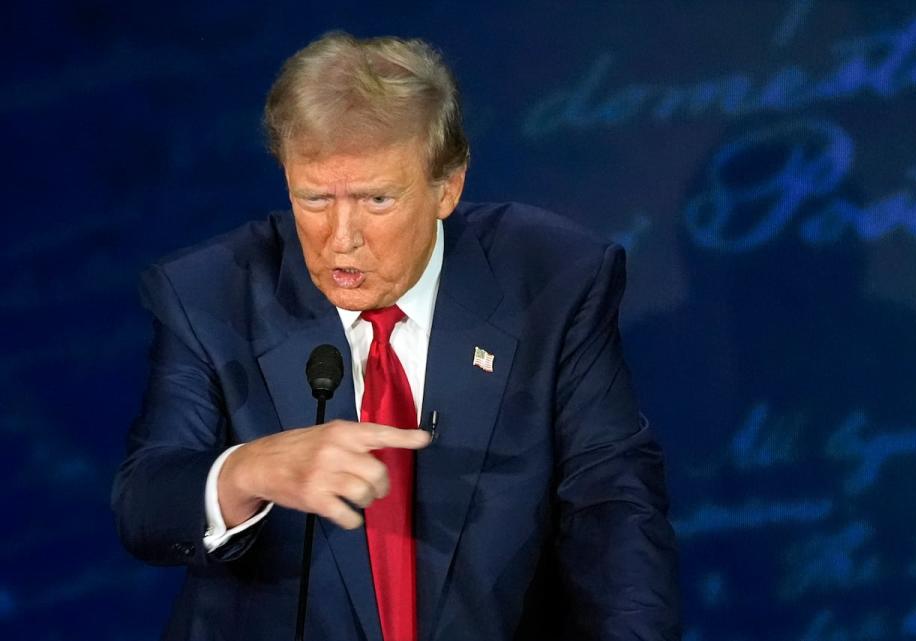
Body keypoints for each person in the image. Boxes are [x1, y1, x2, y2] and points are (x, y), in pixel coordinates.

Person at [112, 31, 680, 641]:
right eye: (313, 199)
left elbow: (614, 507)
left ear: (448, 186)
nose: (341, 237)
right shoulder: (212, 294)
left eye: (376, 199)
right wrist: (247, 471)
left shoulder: (551, 282)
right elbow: (146, 501)